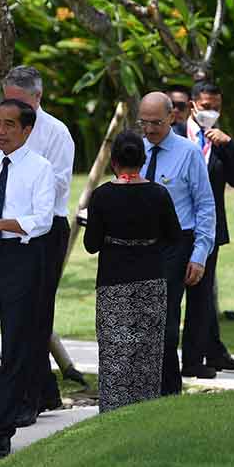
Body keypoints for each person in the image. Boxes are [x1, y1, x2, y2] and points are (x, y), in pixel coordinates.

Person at [0, 66, 74, 422]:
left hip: (43, 230)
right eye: (7, 101)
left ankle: (29, 400)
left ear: (38, 97)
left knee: (34, 317)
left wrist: (24, 176)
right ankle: (24, 395)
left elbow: (58, 185)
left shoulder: (56, 133)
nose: (11, 112)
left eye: (19, 103)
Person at [0, 99, 55, 460]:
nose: (0, 132)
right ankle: (7, 406)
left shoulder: (41, 168)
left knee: (15, 345)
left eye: (9, 125)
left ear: (27, 130)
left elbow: (42, 220)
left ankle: (2, 430)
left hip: (22, 259)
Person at [85, 131, 182, 411]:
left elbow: (91, 245)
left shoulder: (102, 196)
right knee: (147, 354)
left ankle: (113, 412)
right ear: (143, 159)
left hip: (113, 281)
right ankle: (145, 412)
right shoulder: (159, 194)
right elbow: (175, 237)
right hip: (151, 280)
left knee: (115, 352)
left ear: (113, 161)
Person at [138, 91, 217, 394]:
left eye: (156, 123)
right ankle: (144, 385)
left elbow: (205, 205)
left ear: (171, 117)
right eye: (143, 122)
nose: (149, 129)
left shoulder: (188, 153)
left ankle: (168, 389)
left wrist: (199, 254)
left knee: (167, 320)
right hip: (140, 245)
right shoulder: (136, 150)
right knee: (143, 319)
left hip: (176, 243)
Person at [173, 80, 234, 372]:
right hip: (176, 227)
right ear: (193, 105)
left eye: (216, 107)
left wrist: (230, 146)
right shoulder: (175, 136)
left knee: (201, 299)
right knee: (174, 294)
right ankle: (167, 361)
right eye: (205, 106)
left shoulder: (221, 142)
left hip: (208, 230)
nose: (211, 112)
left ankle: (193, 361)